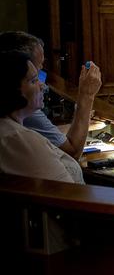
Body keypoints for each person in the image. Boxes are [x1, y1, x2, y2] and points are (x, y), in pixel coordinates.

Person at [0, 30, 102, 159]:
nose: (42, 83)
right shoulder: (22, 107)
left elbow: (42, 133)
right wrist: (87, 95)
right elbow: (72, 152)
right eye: (36, 74)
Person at [0, 50, 85, 183]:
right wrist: (87, 95)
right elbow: (68, 195)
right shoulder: (20, 139)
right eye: (34, 81)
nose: (42, 85)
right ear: (12, 89)